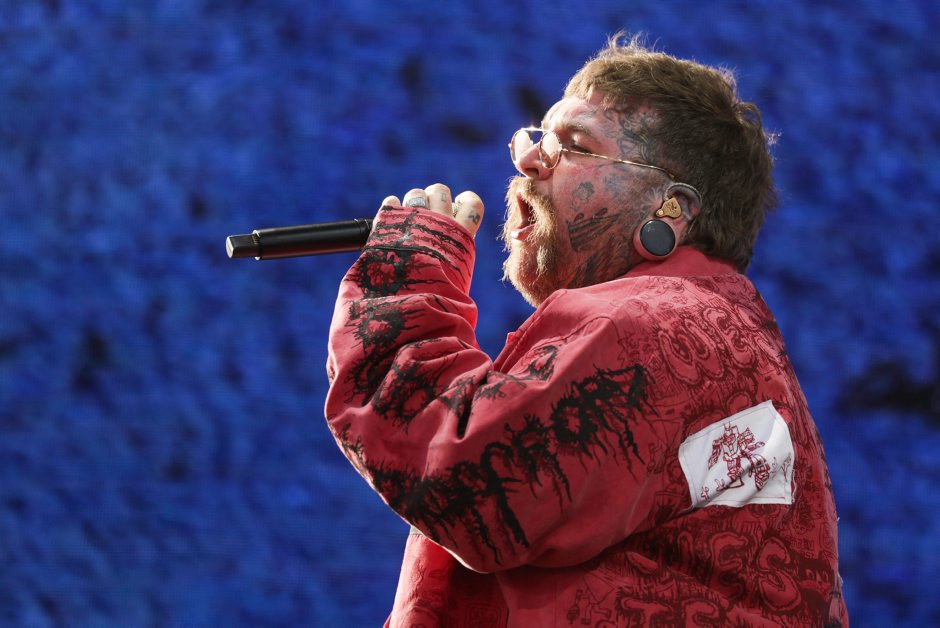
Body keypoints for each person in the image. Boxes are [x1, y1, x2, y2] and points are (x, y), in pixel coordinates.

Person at [324, 34, 847, 627]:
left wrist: (407, 279)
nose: (528, 162)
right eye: (536, 138)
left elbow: (469, 482)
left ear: (671, 209)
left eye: (574, 145)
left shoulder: (651, 327)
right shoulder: (720, 335)